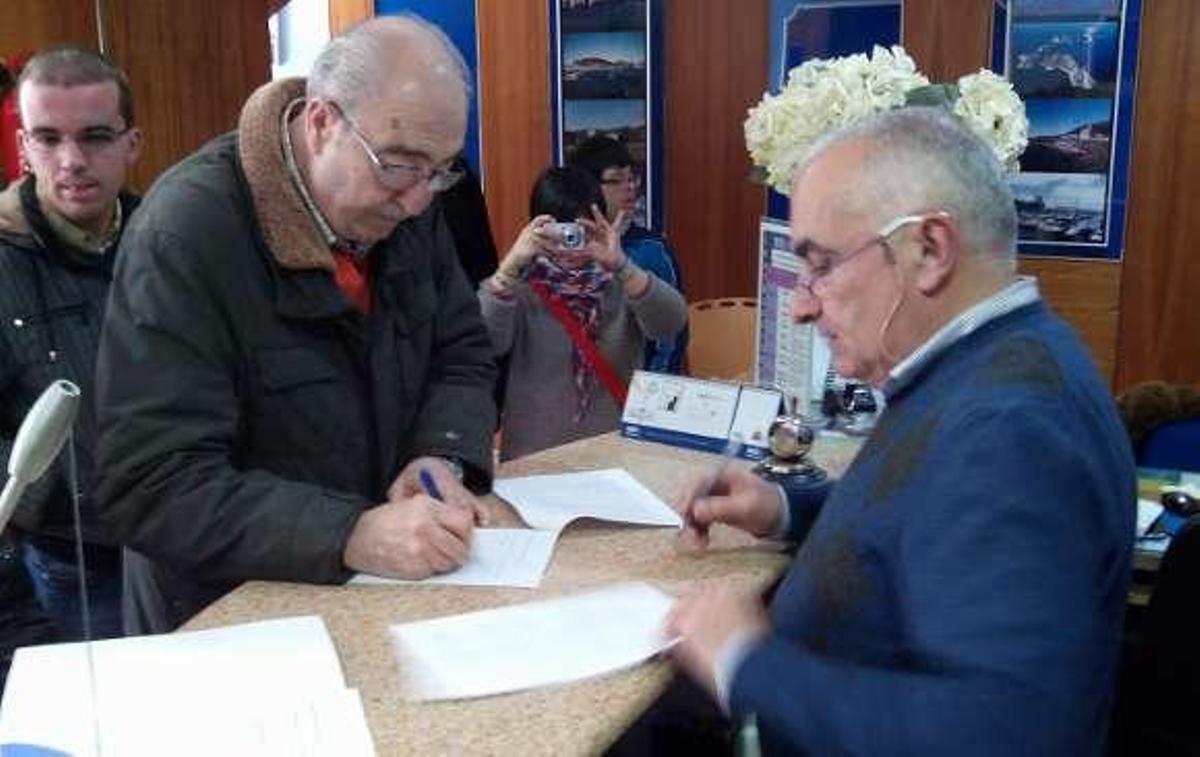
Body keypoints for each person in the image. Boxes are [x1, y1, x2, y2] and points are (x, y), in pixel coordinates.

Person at [664, 108, 1134, 755]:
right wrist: (783, 508)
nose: (800, 304)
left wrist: (745, 661)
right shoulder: (990, 369)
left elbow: (1003, 735)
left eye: (821, 266)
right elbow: (931, 515)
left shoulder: (1013, 427)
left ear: (929, 250)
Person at [93, 16, 498, 634]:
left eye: (440, 170)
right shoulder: (187, 236)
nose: (419, 199)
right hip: (225, 626)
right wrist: (349, 533)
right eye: (399, 164)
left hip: (371, 603)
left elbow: (460, 349)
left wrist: (439, 455)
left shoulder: (407, 205)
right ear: (320, 123)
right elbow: (151, 482)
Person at [0, 46, 142, 640]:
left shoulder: (174, 244)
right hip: (72, 560)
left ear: (132, 143)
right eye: (48, 138)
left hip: (189, 538)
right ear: (24, 147)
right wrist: (44, 492)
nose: (72, 160)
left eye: (95, 137)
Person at [479, 166, 686, 461]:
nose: (569, 243)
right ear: (536, 228)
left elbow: (670, 323)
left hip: (613, 453)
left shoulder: (620, 280)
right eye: (559, 232)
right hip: (534, 458)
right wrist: (509, 267)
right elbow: (482, 342)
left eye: (579, 231)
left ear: (599, 223)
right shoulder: (520, 285)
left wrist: (622, 265)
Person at [569, 136, 688, 374]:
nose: (630, 186)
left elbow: (672, 339)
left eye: (632, 177)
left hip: (637, 396)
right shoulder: (566, 249)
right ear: (588, 187)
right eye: (616, 180)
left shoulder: (651, 250)